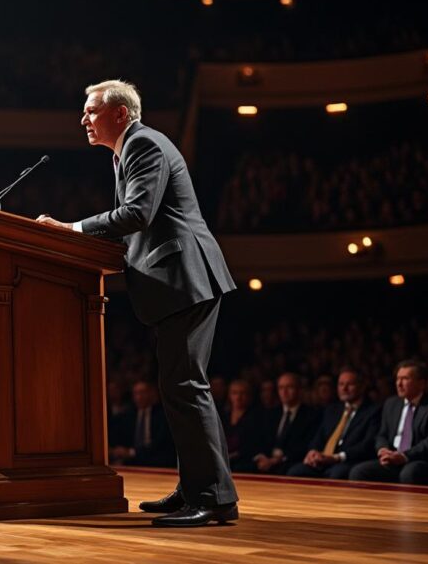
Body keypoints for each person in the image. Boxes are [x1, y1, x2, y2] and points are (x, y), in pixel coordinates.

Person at [36, 80, 238, 526]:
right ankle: (195, 489)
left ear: (120, 114)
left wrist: (72, 230)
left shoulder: (144, 143)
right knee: (178, 389)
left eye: (91, 111)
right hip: (177, 281)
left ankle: (215, 499)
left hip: (186, 277)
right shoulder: (129, 148)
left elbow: (138, 214)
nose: (83, 119)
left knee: (186, 388)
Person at [349, 360, 428, 485]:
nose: (399, 384)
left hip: (418, 459)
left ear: (421, 383)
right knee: (359, 472)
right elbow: (382, 434)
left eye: (405, 379)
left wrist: (404, 456)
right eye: (398, 379)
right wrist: (383, 449)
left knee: (409, 473)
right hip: (392, 459)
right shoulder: (391, 404)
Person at [287, 370, 380, 479]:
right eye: (341, 384)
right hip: (323, 460)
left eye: (349, 384)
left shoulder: (373, 411)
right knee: (296, 471)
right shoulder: (332, 409)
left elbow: (367, 445)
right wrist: (313, 452)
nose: (344, 389)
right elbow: (319, 437)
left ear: (362, 387)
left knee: (336, 474)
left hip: (348, 461)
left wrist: (337, 457)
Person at [253, 372, 320, 475]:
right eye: (281, 388)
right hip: (268, 459)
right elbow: (261, 439)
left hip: (291, 461)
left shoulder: (311, 415)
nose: (284, 392)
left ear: (299, 390)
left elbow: (306, 446)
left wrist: (278, 460)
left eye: (289, 387)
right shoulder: (271, 413)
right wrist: (262, 456)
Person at [109, 380, 175, 467]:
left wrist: (132, 452)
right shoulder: (128, 415)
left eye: (142, 393)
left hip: (156, 461)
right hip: (131, 461)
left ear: (152, 393)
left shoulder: (162, 415)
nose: (139, 397)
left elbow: (160, 443)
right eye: (136, 393)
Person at [223, 379, 265, 472]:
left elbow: (252, 446)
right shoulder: (224, 416)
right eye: (235, 393)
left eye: (243, 393)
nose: (238, 397)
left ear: (249, 396)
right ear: (229, 395)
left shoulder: (256, 417)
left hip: (244, 459)